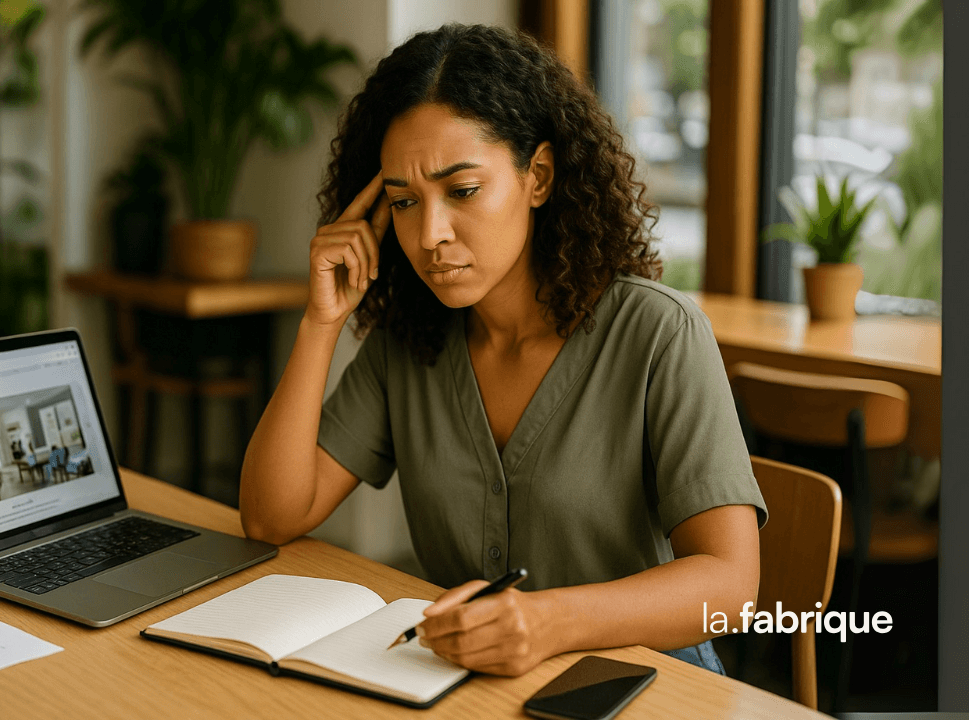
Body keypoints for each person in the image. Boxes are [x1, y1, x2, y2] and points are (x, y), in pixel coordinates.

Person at [238, 24, 766, 678]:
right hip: (472, 685)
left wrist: (547, 622)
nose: (430, 234)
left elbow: (732, 585)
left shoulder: (659, 333)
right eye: (403, 202)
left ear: (537, 176)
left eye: (461, 192)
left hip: (648, 685)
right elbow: (270, 515)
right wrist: (321, 323)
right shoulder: (410, 342)